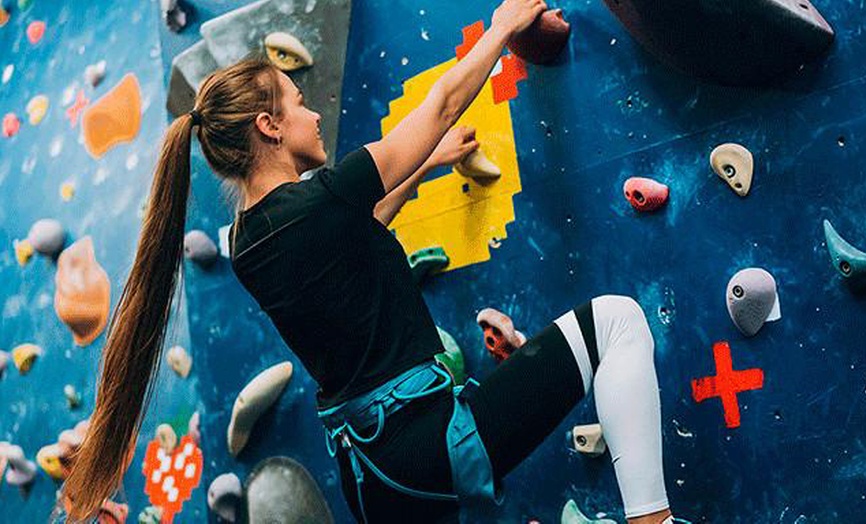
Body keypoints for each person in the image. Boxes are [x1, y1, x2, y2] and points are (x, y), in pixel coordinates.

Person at [63, 1, 683, 523]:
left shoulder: (251, 242)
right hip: (431, 443)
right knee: (618, 321)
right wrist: (500, 27)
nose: (310, 115)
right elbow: (439, 104)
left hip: (373, 481)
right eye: (297, 103)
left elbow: (356, 236)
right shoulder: (320, 198)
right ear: (268, 126)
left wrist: (430, 164)